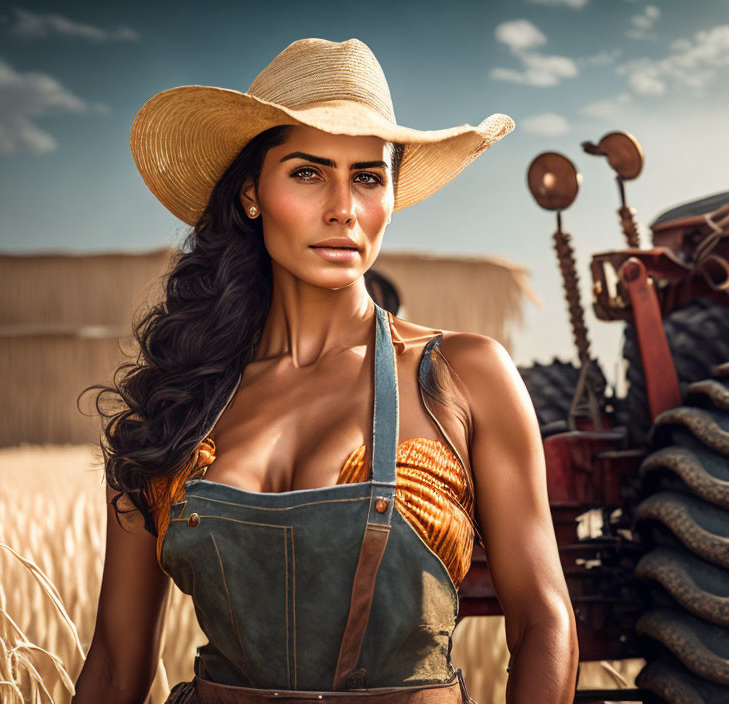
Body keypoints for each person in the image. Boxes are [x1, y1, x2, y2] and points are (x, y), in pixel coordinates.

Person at [74, 37, 577, 704]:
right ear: (252, 193)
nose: (343, 207)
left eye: (368, 177)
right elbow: (114, 662)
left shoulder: (466, 375)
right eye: (308, 173)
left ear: (390, 196)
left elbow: (545, 624)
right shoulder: (176, 402)